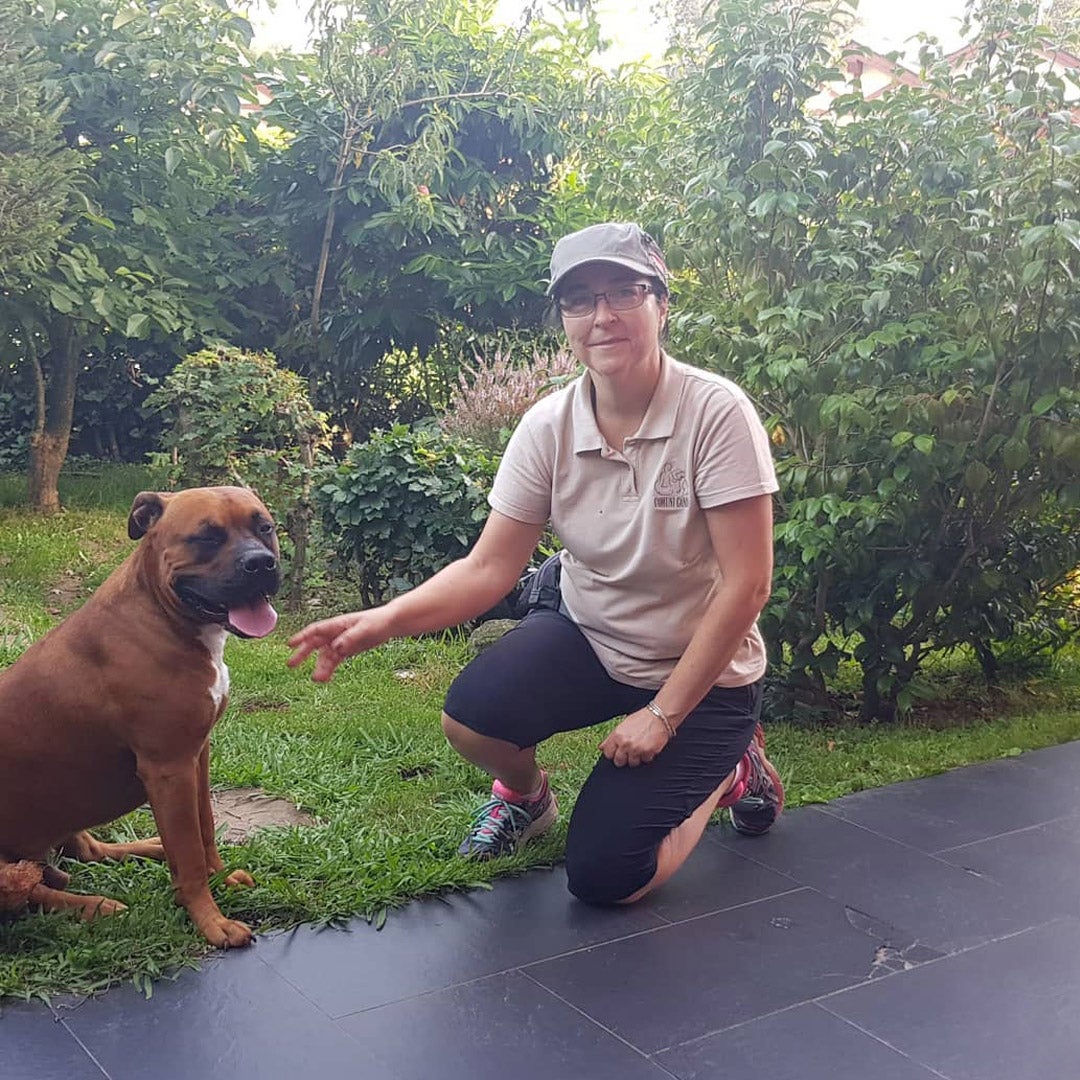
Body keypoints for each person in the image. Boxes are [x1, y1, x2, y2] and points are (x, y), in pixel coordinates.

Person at [288, 222, 783, 905]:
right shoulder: (548, 426)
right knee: (472, 714)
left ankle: (729, 770)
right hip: (594, 636)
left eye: (624, 292)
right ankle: (526, 800)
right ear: (564, 321)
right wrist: (384, 621)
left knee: (609, 878)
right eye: (580, 300)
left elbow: (748, 582)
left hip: (704, 672)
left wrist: (664, 716)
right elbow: (490, 568)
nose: (602, 315)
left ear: (661, 304)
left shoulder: (715, 413)